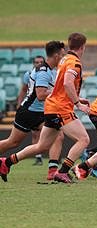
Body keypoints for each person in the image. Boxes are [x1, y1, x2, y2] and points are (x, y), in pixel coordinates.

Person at [0, 33, 90, 183]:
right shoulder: (74, 62)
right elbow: (67, 84)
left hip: (50, 108)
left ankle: (6, 162)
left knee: (42, 146)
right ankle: (62, 172)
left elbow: (60, 87)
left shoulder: (64, 60)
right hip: (58, 109)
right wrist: (77, 103)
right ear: (82, 47)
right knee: (84, 139)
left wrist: (76, 98)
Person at [0, 41, 65, 182]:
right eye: (62, 54)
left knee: (58, 135)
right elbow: (41, 95)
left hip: (41, 113)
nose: (63, 56)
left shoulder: (53, 70)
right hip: (29, 112)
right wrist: (58, 92)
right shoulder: (43, 71)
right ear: (56, 55)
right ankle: (5, 162)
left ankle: (53, 171)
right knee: (13, 142)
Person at [17, 55, 45, 166]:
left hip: (45, 110)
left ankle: (54, 161)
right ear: (33, 63)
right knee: (15, 141)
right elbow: (23, 90)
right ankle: (39, 157)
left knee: (56, 134)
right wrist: (19, 105)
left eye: (41, 62)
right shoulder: (28, 75)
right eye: (36, 62)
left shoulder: (48, 74)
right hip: (31, 110)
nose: (38, 64)